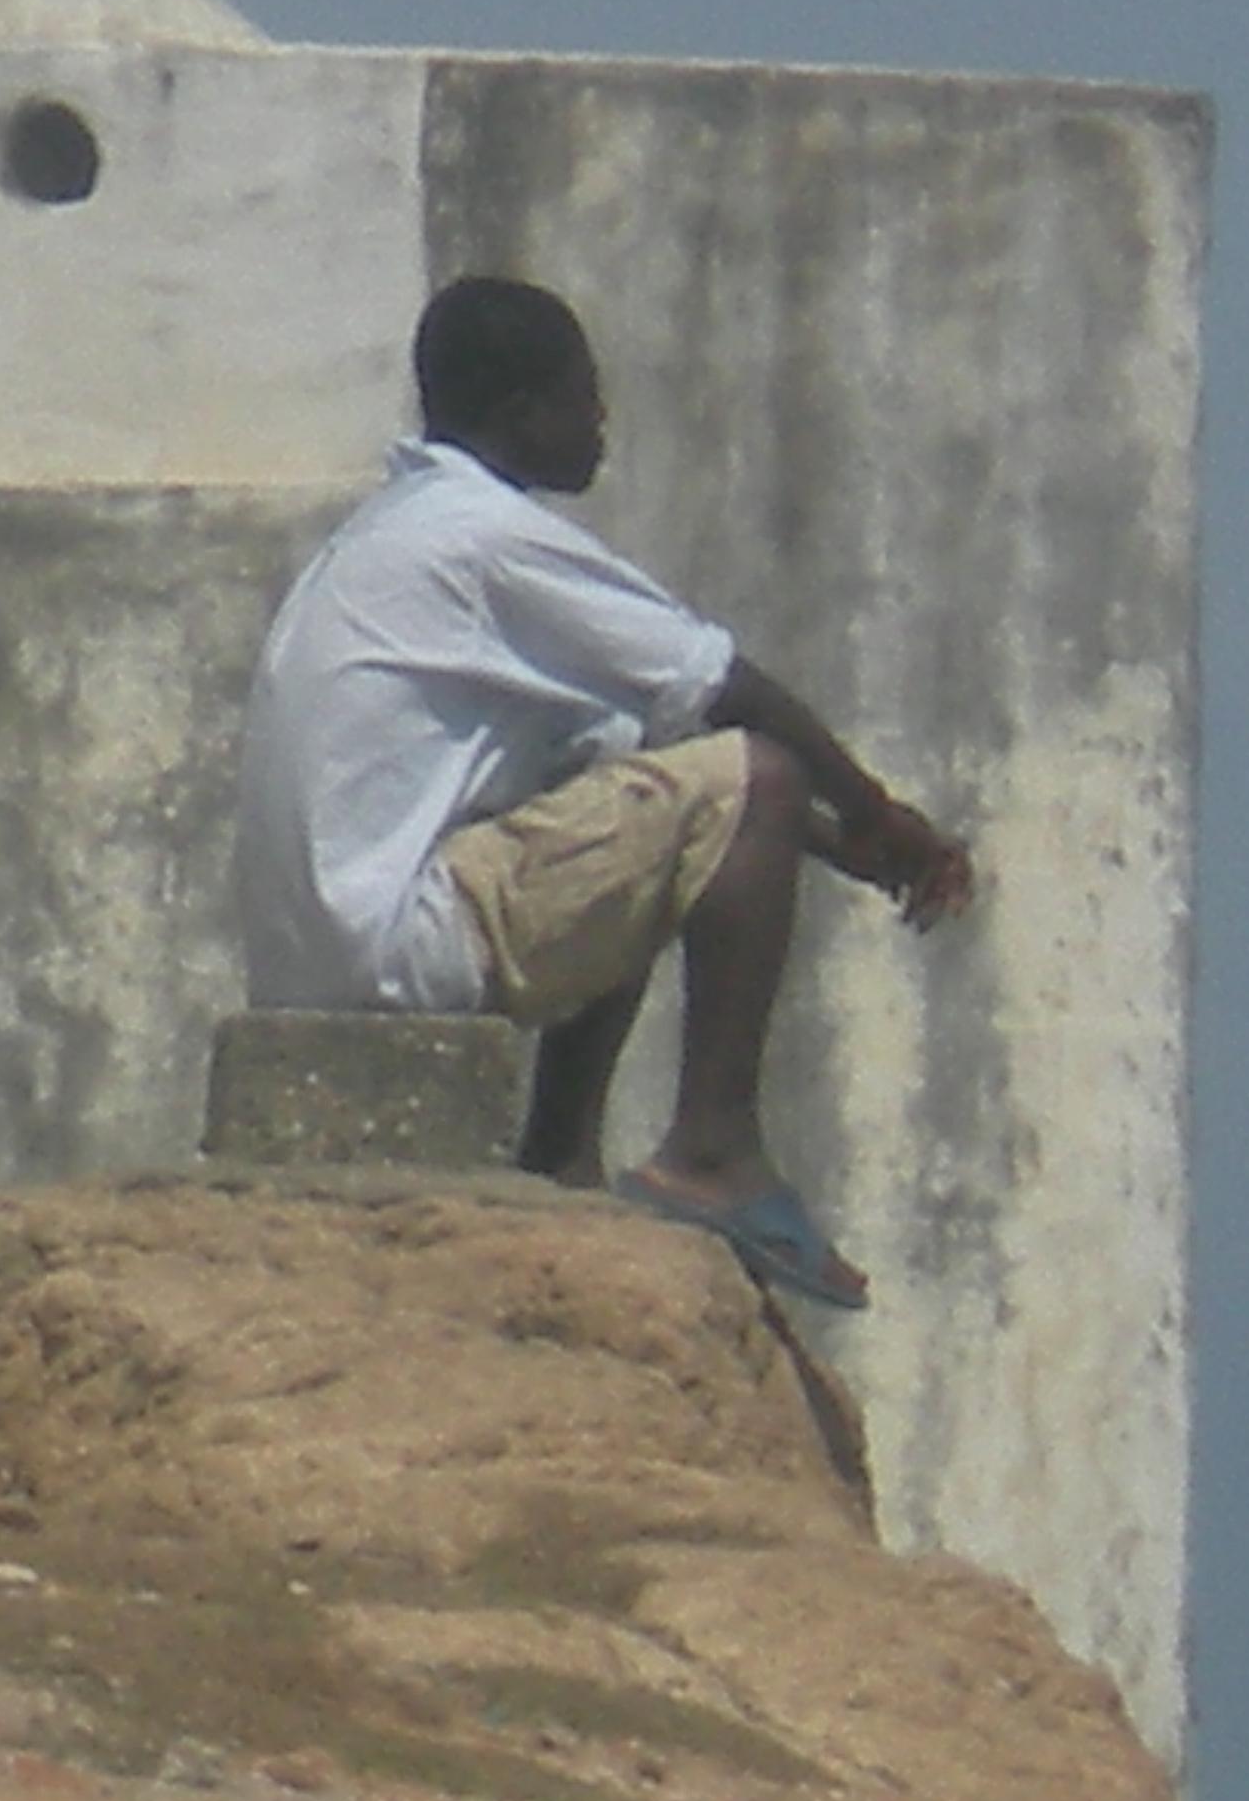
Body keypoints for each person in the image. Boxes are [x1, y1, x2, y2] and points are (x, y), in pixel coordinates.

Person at [235, 276, 973, 1308]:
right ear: (522, 413)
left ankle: (559, 1151)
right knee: (754, 767)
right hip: (393, 945)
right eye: (586, 396)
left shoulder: (391, 529)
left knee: (622, 783)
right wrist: (880, 815)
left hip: (317, 946)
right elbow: (730, 694)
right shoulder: (489, 534)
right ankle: (713, 1148)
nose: (600, 422)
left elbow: (648, 768)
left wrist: (825, 839)